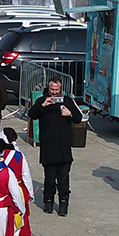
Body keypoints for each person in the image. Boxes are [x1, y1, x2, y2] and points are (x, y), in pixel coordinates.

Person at [27, 74, 85, 217]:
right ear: (48, 87)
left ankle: (64, 205)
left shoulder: (67, 101)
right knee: (49, 178)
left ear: (61, 89)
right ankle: (48, 202)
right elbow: (31, 114)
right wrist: (43, 106)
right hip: (48, 148)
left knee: (63, 180)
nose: (54, 92)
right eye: (52, 89)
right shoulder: (42, 100)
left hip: (63, 148)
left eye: (56, 90)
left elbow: (78, 118)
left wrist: (69, 114)